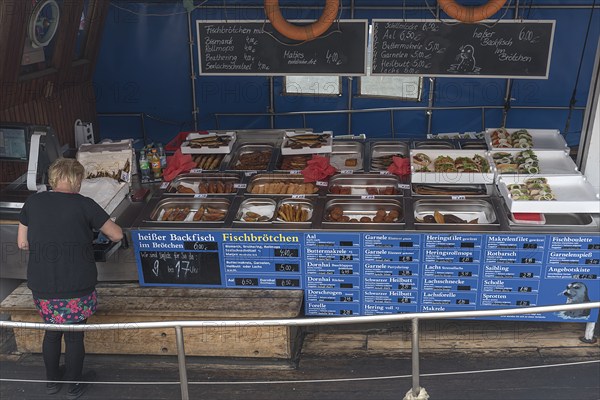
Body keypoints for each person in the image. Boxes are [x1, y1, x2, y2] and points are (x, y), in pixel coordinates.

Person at [17, 158, 123, 399]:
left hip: (43, 284)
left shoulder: (33, 202)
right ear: (77, 180)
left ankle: (52, 382)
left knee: (52, 332)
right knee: (74, 336)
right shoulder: (85, 204)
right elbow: (116, 235)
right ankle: (75, 385)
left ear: (54, 178)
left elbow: (22, 243)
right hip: (77, 284)